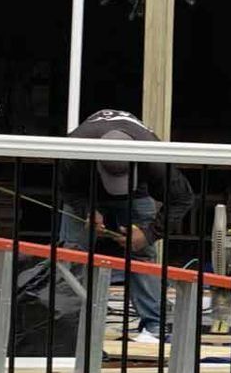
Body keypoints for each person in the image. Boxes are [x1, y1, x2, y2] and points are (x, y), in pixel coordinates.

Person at [55, 109, 194, 343]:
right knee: (72, 254)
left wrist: (149, 234)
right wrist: (86, 210)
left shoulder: (155, 159)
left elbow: (183, 199)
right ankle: (70, 326)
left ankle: (155, 328)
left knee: (141, 255)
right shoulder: (74, 152)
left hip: (136, 192)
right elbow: (67, 189)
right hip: (85, 190)